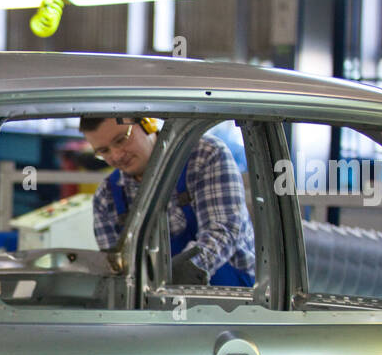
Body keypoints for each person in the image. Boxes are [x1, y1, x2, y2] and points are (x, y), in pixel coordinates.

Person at [81, 115, 256, 286]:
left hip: (233, 300)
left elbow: (223, 232)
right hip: (154, 307)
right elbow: (115, 270)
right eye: (104, 151)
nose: (117, 156)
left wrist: (171, 280)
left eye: (121, 140)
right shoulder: (107, 196)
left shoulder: (204, 155)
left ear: (148, 124)